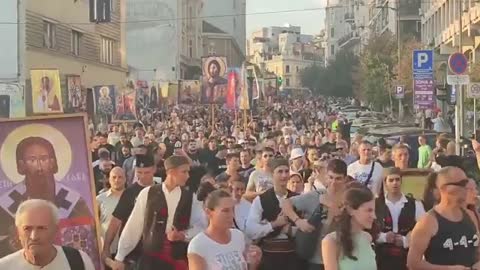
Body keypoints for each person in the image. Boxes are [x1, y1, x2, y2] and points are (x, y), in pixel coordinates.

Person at [0, 137, 91, 257]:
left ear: (52, 162)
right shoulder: (6, 203)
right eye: (32, 160)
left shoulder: (73, 200)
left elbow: (88, 237)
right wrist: (11, 243)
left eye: (44, 159)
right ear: (21, 165)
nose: (39, 167)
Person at [111, 155, 204, 270]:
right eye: (184, 172)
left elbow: (201, 226)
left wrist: (182, 235)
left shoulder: (190, 197)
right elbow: (134, 226)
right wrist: (120, 256)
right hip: (151, 260)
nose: (187, 176)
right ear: (171, 172)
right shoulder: (148, 193)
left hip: (177, 257)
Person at [407, 166, 480, 269]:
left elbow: (477, 250)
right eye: (463, 183)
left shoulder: (470, 215)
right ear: (445, 188)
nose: (467, 187)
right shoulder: (428, 222)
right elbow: (413, 263)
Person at [283, 159, 350, 270]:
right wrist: (298, 221)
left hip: (343, 258)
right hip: (317, 260)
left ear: (345, 179)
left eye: (338, 179)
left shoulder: (351, 198)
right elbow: (286, 203)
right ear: (326, 177)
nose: (333, 182)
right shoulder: (316, 196)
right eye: (331, 177)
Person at [0, 199, 95, 269]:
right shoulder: (4, 266)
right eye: (27, 229)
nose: (34, 237)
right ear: (18, 232)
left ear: (55, 231)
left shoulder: (78, 261)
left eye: (41, 228)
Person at [245, 158, 300, 270]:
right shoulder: (261, 200)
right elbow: (250, 230)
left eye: (286, 171)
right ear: (272, 174)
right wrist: (274, 224)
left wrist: (290, 230)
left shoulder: (297, 198)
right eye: (280, 172)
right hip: (269, 258)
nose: (284, 175)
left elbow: (307, 227)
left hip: (293, 257)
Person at [102, 154, 155, 268]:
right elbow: (115, 222)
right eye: (139, 172)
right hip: (132, 253)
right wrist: (106, 247)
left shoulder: (160, 190)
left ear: (154, 170)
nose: (143, 176)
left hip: (155, 251)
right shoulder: (129, 193)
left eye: (147, 172)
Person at [187, 190, 262, 270]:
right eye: (225, 211)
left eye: (232, 210)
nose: (231, 215)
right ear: (209, 212)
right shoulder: (198, 245)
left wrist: (253, 263)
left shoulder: (238, 236)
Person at [375, 168, 425, 270]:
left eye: (397, 180)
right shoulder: (376, 204)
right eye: (391, 180)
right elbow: (367, 229)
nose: (395, 183)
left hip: (406, 257)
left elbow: (424, 229)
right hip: (381, 257)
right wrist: (384, 237)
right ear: (385, 182)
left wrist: (406, 240)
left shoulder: (415, 204)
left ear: (401, 181)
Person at [321, 186, 377, 270]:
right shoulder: (331, 241)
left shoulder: (367, 237)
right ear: (351, 210)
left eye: (373, 211)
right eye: (369, 210)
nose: (374, 216)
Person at [97, 167, 126, 267]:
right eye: (114, 177)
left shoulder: (131, 198)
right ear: (109, 179)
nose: (117, 180)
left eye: (120, 177)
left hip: (127, 251)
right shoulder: (100, 199)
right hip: (107, 251)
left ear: (125, 179)